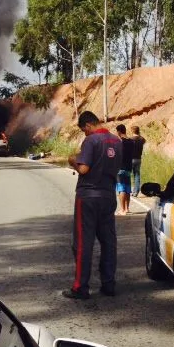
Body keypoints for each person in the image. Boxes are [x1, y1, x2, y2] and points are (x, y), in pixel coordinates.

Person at [64, 111, 124, 300]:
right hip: (108, 196)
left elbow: (83, 168)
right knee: (108, 242)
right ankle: (109, 284)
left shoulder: (91, 141)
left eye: (84, 130)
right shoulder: (117, 141)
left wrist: (73, 160)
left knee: (83, 243)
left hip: (88, 197)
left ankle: (80, 287)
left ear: (88, 125)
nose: (85, 134)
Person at [115, 124, 134, 215]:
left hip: (120, 167)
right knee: (127, 189)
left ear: (119, 131)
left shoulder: (119, 142)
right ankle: (127, 208)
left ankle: (122, 210)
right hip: (129, 167)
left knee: (121, 189)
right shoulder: (131, 141)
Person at [130, 125, 146, 197]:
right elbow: (144, 140)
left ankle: (128, 191)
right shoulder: (142, 139)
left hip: (131, 159)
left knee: (128, 175)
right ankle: (136, 191)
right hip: (138, 159)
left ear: (132, 131)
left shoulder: (130, 139)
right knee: (137, 175)